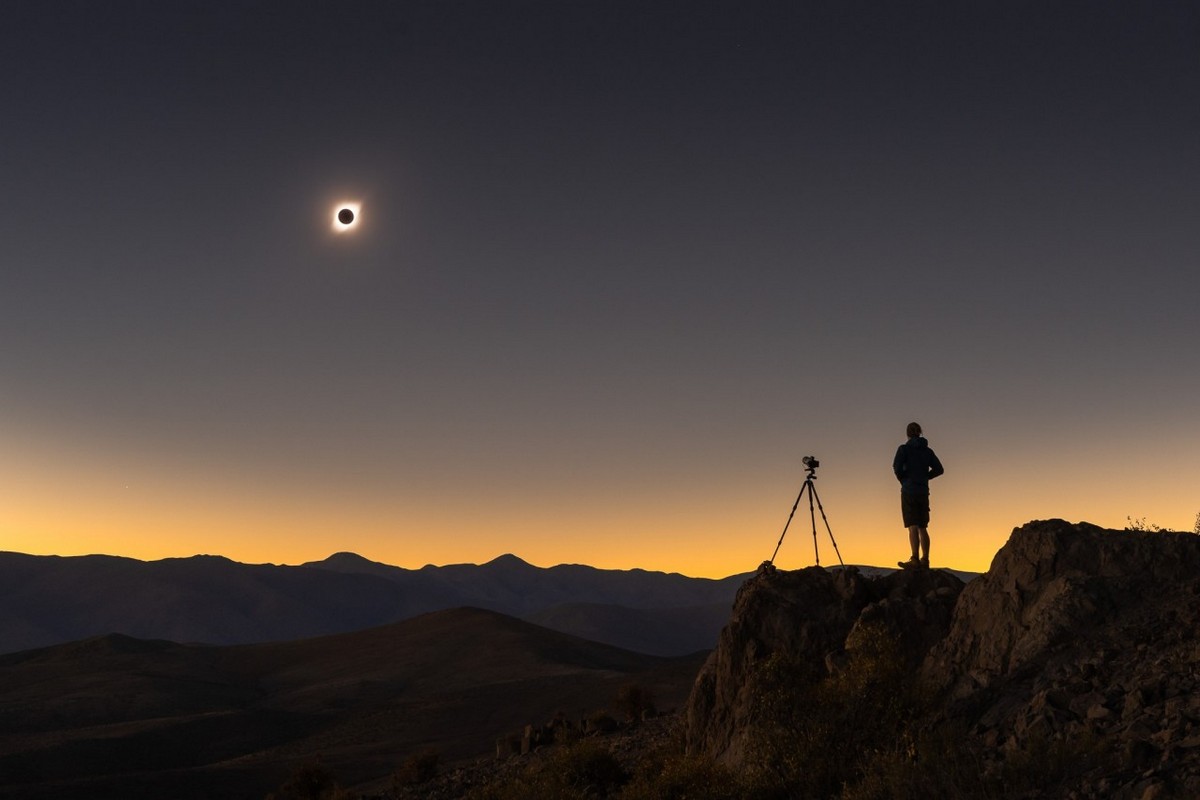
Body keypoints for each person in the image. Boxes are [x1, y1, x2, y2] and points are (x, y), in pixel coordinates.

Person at [893, 422, 944, 569]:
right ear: (920, 432)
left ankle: (915, 559)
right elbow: (939, 469)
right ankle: (925, 560)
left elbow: (896, 467)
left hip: (909, 490)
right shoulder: (927, 451)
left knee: (912, 526)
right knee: (923, 526)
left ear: (908, 433)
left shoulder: (904, 449)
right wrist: (926, 477)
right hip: (923, 491)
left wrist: (904, 479)